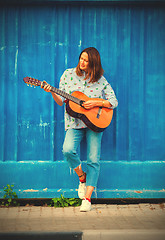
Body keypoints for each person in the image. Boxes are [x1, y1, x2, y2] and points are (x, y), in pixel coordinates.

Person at [41, 47, 118, 212]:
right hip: (74, 124)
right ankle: (82, 177)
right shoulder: (68, 75)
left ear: (94, 64)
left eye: (86, 61)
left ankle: (88, 198)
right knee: (67, 150)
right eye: (81, 59)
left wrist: (97, 103)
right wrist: (51, 91)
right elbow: (61, 100)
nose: (82, 63)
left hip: (95, 125)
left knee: (93, 159)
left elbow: (113, 101)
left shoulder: (101, 80)